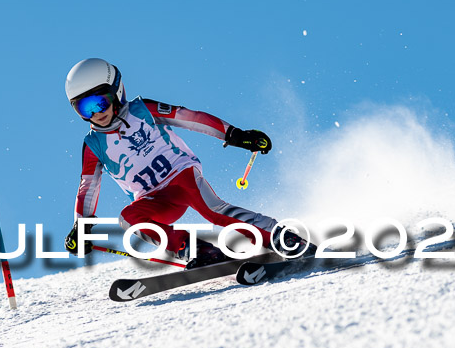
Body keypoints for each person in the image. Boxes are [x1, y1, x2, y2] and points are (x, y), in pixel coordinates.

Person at [63, 58, 313, 269]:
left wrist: (234, 134)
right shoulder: (94, 144)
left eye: (100, 102)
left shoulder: (143, 110)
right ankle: (196, 250)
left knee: (212, 210)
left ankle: (281, 237)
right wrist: (81, 225)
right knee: (128, 219)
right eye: (84, 108)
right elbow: (88, 187)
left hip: (180, 176)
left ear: (116, 91)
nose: (96, 113)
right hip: (154, 198)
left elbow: (191, 118)